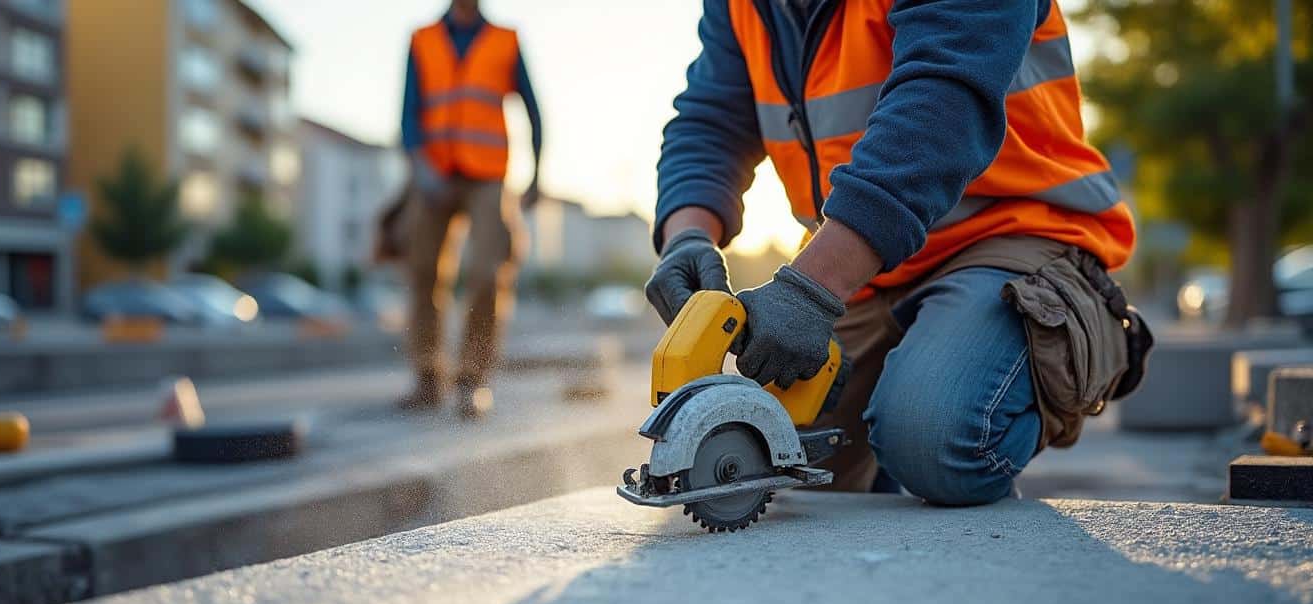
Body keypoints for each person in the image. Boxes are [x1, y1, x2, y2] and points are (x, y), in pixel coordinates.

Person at [648, 0, 1150, 504]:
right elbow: (712, 122)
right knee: (782, 467)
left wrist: (812, 290)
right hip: (862, 261)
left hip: (1010, 233)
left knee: (934, 438)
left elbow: (941, 103)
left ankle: (1067, 344)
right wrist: (687, 235)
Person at [397, 0, 542, 418]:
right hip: (434, 174)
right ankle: (427, 375)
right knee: (423, 270)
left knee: (485, 272)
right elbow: (409, 115)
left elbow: (533, 110)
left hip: (487, 176)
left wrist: (537, 173)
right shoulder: (423, 40)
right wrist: (421, 169)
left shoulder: (505, 41)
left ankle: (471, 379)